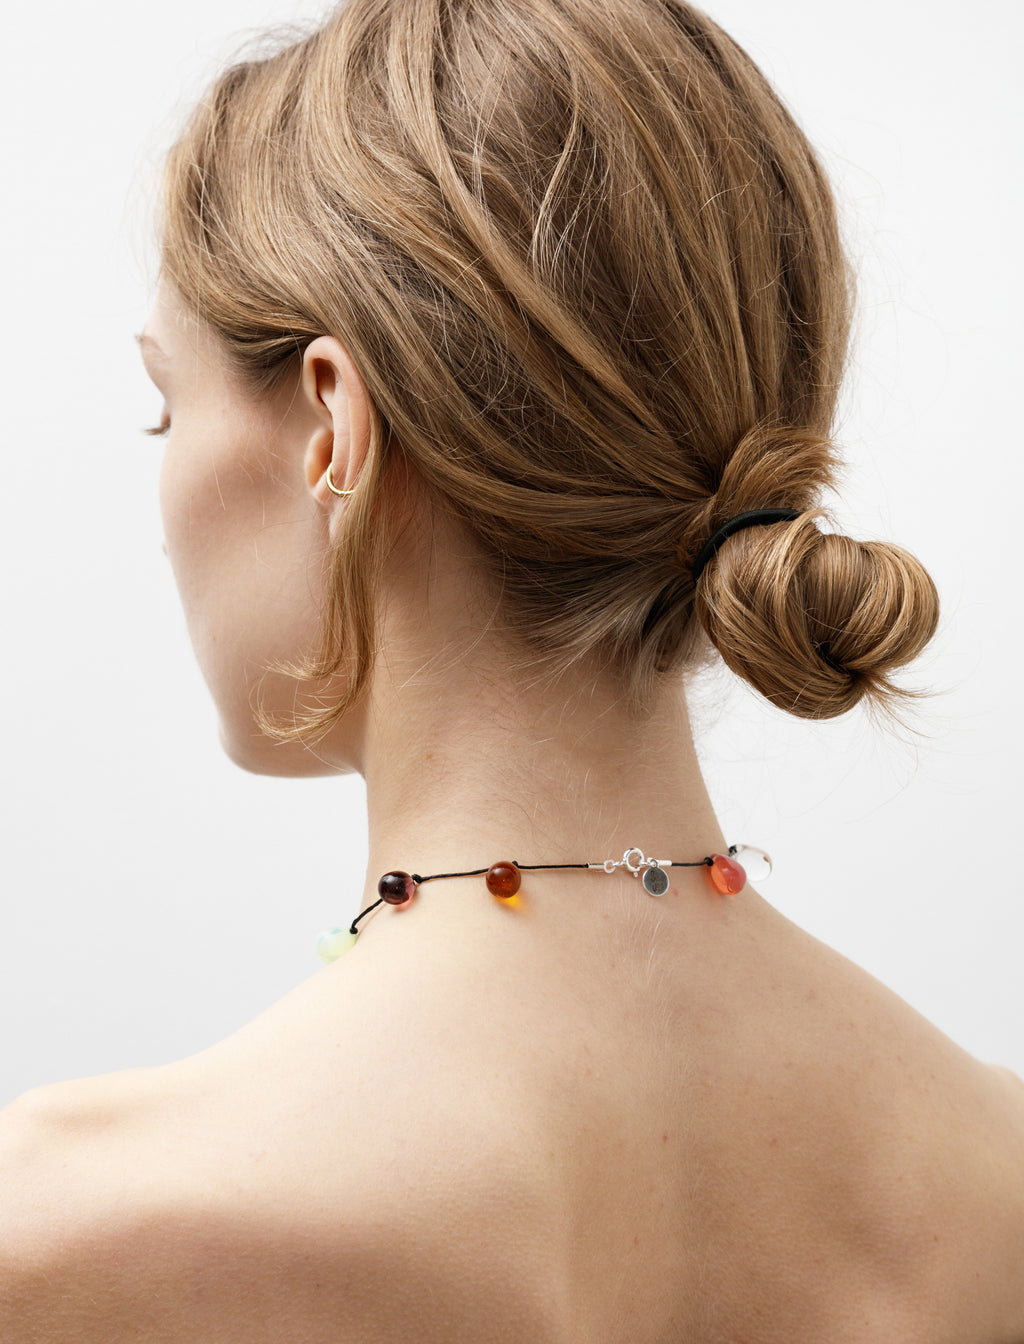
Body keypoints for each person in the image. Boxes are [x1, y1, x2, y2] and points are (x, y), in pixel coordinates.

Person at [1, 0, 1022, 1338]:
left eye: (165, 404)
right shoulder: (997, 1183)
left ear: (330, 428)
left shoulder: (65, 1231)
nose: (160, 496)